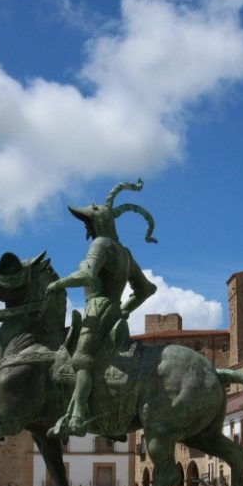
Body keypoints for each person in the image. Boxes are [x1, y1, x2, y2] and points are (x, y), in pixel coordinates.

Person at [47, 181, 157, 439]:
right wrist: (125, 309)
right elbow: (147, 289)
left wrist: (57, 284)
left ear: (97, 223)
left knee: (81, 361)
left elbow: (87, 274)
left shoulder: (101, 245)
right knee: (108, 362)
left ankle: (78, 415)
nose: (87, 227)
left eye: (87, 223)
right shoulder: (126, 253)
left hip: (96, 311)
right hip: (116, 314)